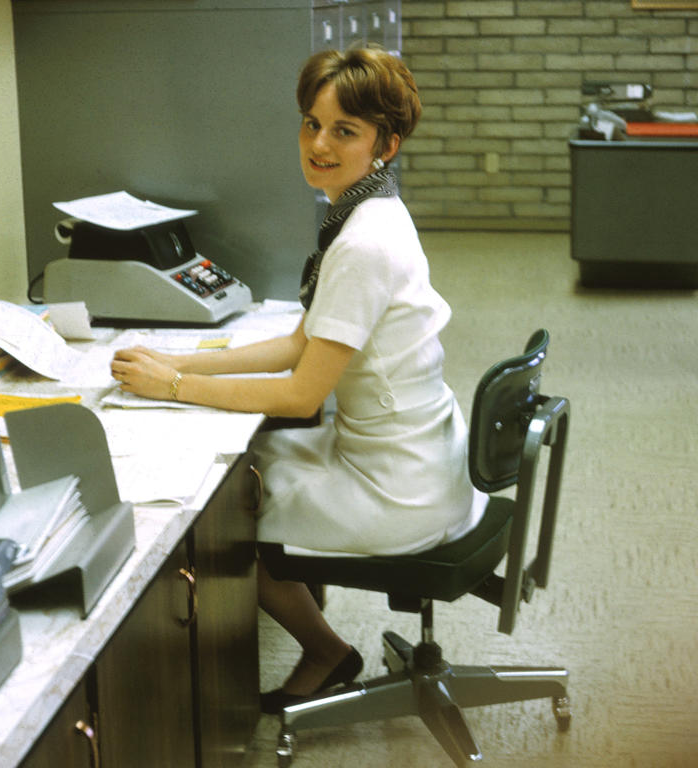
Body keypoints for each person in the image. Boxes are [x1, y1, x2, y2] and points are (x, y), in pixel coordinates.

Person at [110, 45, 486, 714]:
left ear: (386, 142)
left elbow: (300, 392)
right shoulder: (369, 210)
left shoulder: (364, 242)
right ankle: (311, 611)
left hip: (399, 489)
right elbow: (298, 343)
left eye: (345, 130)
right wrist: (181, 363)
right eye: (312, 123)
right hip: (421, 456)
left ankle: (325, 650)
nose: (319, 143)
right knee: (257, 463)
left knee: (220, 513)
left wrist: (170, 388)